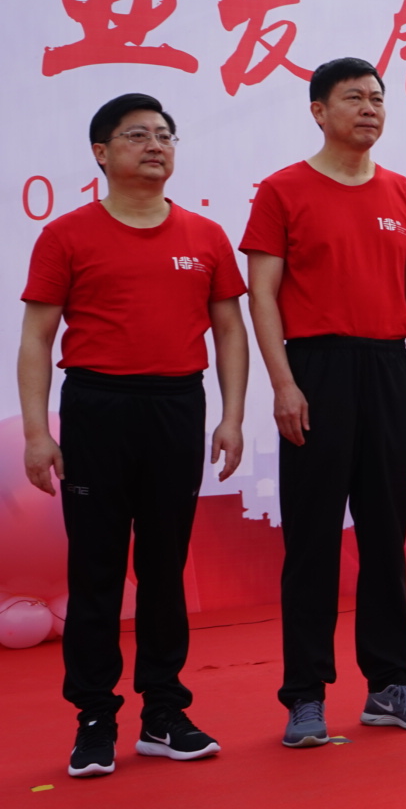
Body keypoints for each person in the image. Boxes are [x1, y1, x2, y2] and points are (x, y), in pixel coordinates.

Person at [20, 94, 248, 778]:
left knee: (163, 567)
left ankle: (163, 712)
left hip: (176, 405)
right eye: (138, 135)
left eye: (165, 136)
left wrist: (232, 416)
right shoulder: (66, 235)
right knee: (95, 569)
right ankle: (94, 716)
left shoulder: (206, 235)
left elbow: (229, 330)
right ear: (101, 152)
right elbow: (37, 338)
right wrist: (37, 432)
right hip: (97, 406)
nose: (156, 145)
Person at [240, 57, 406, 747]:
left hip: (388, 368)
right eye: (354, 98)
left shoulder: (403, 193)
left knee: (386, 535)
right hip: (316, 369)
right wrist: (283, 383)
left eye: (377, 98)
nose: (369, 108)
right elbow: (263, 296)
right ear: (318, 111)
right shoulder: (282, 191)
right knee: (312, 540)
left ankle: (391, 683)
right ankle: (305, 695)